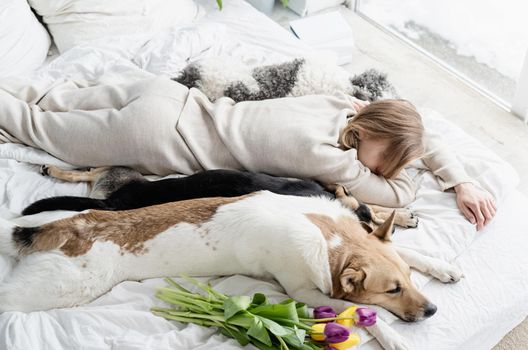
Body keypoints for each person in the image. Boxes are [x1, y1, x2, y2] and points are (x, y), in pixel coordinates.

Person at [0, 76, 494, 229]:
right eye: (385, 160)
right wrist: (450, 178)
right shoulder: (327, 158)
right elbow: (401, 196)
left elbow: (413, 133)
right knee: (31, 126)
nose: (383, 171)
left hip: (168, 96)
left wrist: (461, 177)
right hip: (150, 137)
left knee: (41, 101)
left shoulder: (340, 105)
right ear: (369, 136)